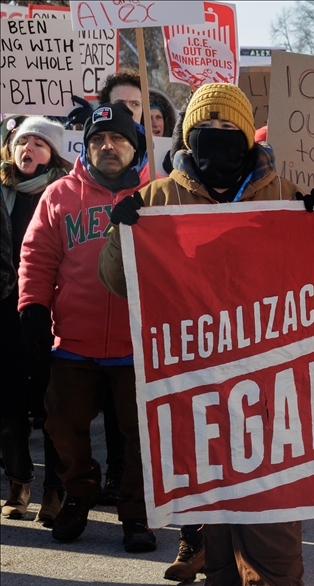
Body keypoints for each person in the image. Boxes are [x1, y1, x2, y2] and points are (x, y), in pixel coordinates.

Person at [99, 83, 314, 586]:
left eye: (228, 135)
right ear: (186, 139)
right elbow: (119, 283)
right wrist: (121, 234)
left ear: (247, 139)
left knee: (270, 495)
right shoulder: (161, 198)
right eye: (204, 134)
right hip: (194, 375)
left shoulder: (285, 191)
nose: (216, 145)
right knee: (214, 496)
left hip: (270, 371)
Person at [17, 103, 155, 551]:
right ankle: (79, 493)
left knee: (141, 436)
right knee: (63, 426)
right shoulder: (59, 195)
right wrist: (33, 307)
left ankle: (136, 513)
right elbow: (37, 258)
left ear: (134, 148)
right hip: (73, 341)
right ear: (86, 147)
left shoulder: (160, 195)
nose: (107, 146)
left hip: (138, 344)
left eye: (117, 139)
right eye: (97, 140)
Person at [0, 116, 71, 523]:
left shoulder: (63, 195)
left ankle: (53, 490)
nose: (29, 148)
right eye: (23, 140)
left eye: (40, 143)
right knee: (8, 405)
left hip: (49, 313)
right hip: (6, 312)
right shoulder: (2, 191)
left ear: (54, 153)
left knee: (52, 406)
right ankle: (19, 480)